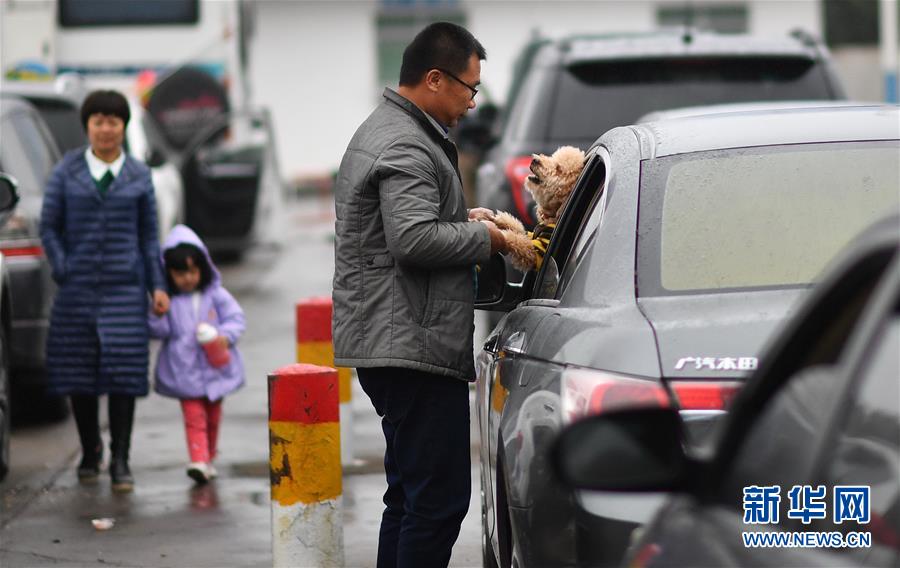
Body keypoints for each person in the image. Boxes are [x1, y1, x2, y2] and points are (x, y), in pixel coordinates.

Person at [331, 22, 507, 568]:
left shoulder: (392, 129)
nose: (474, 102)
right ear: (435, 79)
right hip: (413, 348)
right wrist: (488, 237)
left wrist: (462, 219)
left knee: (408, 497)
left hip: (399, 340)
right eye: (469, 87)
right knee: (437, 502)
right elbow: (412, 238)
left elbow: (410, 226)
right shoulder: (406, 142)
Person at [40, 89, 170, 493]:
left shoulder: (137, 175)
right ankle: (90, 449)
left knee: (123, 376)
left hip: (124, 292)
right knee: (79, 374)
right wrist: (62, 266)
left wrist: (157, 286)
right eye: (98, 121)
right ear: (87, 126)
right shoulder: (66, 172)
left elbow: (149, 237)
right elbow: (49, 227)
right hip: (77, 292)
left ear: (123, 127)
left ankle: (121, 458)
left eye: (113, 121)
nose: (106, 129)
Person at [149, 224, 246, 484]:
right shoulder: (169, 301)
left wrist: (224, 336)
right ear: (168, 273)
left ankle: (208, 457)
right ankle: (199, 460)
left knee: (213, 416)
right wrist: (156, 314)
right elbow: (160, 331)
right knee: (194, 417)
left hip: (215, 367)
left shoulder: (215, 295)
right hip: (185, 371)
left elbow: (236, 318)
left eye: (193, 271)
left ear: (203, 268)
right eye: (181, 273)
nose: (188, 278)